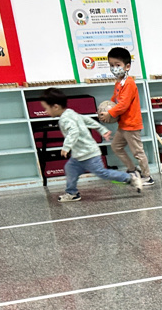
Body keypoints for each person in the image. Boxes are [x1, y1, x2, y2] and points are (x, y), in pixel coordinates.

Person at [39, 88, 143, 203]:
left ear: (55, 107)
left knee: (102, 173)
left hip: (89, 154)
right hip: (79, 155)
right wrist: (102, 129)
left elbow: (74, 131)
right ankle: (72, 193)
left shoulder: (65, 119)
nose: (45, 111)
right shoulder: (70, 112)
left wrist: (66, 147)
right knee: (70, 169)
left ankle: (131, 178)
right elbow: (87, 120)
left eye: (46, 108)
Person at [103, 47, 154, 186]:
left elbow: (123, 104)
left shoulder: (129, 83)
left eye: (117, 65)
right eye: (111, 65)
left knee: (138, 152)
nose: (114, 68)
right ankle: (132, 170)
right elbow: (115, 99)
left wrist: (110, 113)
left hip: (131, 125)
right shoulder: (119, 82)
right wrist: (107, 107)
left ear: (127, 66)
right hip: (123, 125)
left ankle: (147, 176)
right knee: (116, 147)